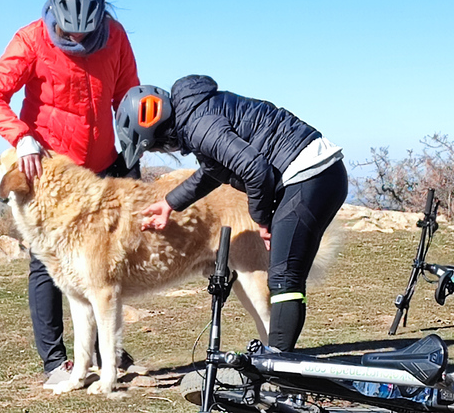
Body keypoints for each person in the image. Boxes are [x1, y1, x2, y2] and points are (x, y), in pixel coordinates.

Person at [0, 0, 141, 387]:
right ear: (54, 15)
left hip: (100, 165)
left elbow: (126, 95)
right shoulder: (31, 39)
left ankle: (107, 352)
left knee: (103, 263)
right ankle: (55, 360)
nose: (79, 41)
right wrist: (21, 136)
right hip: (47, 171)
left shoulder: (116, 37)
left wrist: (136, 135)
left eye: (88, 33)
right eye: (70, 34)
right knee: (46, 263)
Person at [114, 75, 348, 352]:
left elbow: (255, 170)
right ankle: (280, 361)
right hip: (316, 174)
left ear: (161, 132)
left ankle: (280, 365)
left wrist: (261, 219)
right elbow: (214, 171)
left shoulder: (199, 125)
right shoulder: (198, 115)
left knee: (284, 280)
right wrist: (170, 204)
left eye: (156, 146)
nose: (166, 151)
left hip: (311, 175)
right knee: (285, 278)